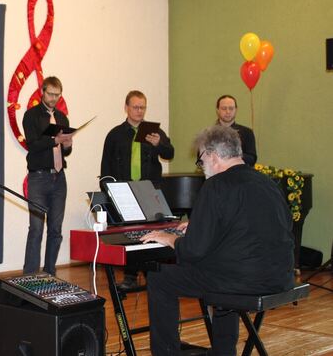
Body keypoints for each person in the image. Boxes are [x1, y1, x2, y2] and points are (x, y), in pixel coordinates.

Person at [140, 125, 294, 355]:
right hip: (279, 276)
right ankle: (223, 351)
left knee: (160, 278)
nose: (202, 167)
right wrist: (203, 225)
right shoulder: (267, 183)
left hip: (242, 280)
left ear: (212, 155)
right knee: (221, 268)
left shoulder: (216, 185)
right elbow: (254, 225)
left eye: (201, 161)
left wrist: (170, 238)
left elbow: (193, 250)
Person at [99, 90, 174, 290]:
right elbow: (105, 165)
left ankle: (152, 275)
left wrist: (159, 144)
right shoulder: (115, 134)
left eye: (143, 107)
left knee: (150, 231)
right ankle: (130, 276)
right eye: (136, 107)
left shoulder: (154, 132)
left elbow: (170, 153)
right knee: (129, 233)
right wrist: (107, 189)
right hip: (125, 190)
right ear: (126, 107)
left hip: (149, 189)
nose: (140, 111)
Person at [22, 76, 73, 276]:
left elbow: (64, 151)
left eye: (57, 95)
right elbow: (32, 145)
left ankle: (50, 273)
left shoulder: (62, 118)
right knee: (36, 229)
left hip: (59, 178)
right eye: (50, 94)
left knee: (55, 229)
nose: (53, 98)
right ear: (42, 92)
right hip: (38, 178)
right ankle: (30, 276)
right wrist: (54, 139)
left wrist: (67, 145)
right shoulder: (31, 116)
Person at [215, 94, 257, 167]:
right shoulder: (208, 134)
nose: (228, 112)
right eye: (224, 108)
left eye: (231, 108)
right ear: (218, 110)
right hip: (215, 176)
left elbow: (252, 159)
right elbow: (201, 159)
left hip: (240, 175)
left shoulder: (247, 132)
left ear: (236, 110)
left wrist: (234, 154)